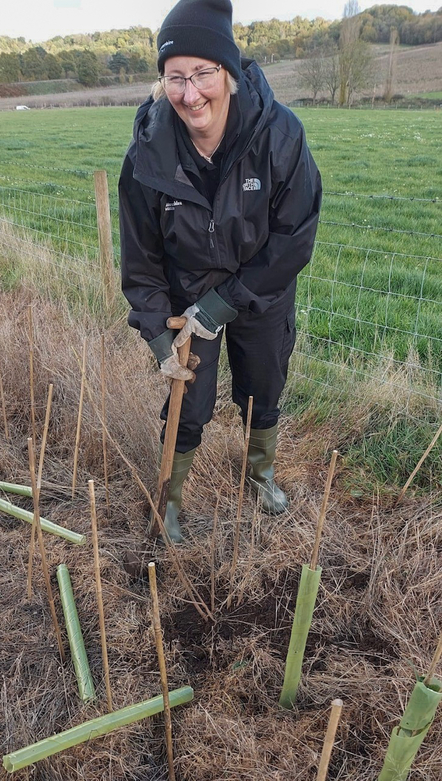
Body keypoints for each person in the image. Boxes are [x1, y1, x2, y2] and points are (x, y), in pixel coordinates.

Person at [119, 0, 322, 543]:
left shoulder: (279, 135)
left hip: (262, 287)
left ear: (228, 73)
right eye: (175, 77)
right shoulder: (147, 152)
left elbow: (294, 235)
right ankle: (172, 500)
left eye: (203, 73)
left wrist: (228, 301)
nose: (191, 94)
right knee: (189, 398)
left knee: (263, 381)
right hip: (187, 294)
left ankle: (260, 475)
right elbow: (140, 258)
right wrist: (157, 327)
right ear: (162, 82)